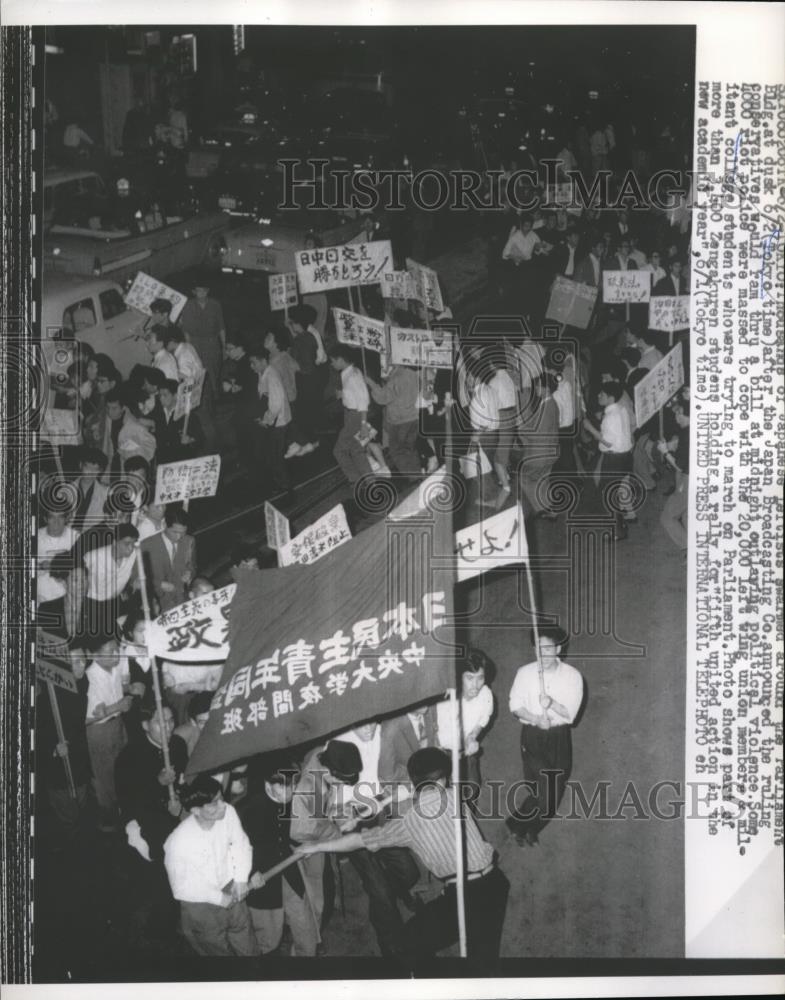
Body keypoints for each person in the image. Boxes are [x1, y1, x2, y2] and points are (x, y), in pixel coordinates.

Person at [298, 747, 509, 960]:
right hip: (495, 885)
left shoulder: (409, 824)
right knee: (482, 961)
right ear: (443, 779)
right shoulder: (456, 795)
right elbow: (423, 788)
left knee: (406, 946)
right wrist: (394, 796)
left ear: (413, 779)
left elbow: (356, 841)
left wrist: (316, 847)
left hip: (462, 897)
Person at [290, 739, 417, 958]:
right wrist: (339, 827)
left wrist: (344, 809)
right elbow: (300, 831)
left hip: (358, 814)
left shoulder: (326, 752)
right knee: (375, 893)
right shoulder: (307, 790)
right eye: (343, 781)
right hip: (331, 835)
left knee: (409, 872)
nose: (346, 785)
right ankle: (391, 949)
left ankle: (387, 891)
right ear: (329, 772)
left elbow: (336, 797)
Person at [506, 626, 584, 846]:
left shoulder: (573, 676)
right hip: (532, 735)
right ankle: (523, 825)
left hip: (559, 737)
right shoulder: (524, 672)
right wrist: (534, 717)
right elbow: (515, 705)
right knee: (543, 791)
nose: (544, 655)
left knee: (554, 788)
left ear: (558, 648)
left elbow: (571, 715)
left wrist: (552, 704)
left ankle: (524, 825)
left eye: (548, 649)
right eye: (539, 649)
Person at [163, 775, 256, 957]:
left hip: (231, 886)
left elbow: (240, 843)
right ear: (196, 810)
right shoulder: (178, 841)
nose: (223, 805)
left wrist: (241, 878)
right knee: (217, 955)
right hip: (201, 905)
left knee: (248, 944)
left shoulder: (228, 812)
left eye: (221, 798)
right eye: (214, 803)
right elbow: (181, 887)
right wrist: (218, 898)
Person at [238, 760, 321, 956]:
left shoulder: (291, 801)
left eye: (293, 785)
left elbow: (289, 833)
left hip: (287, 869)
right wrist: (248, 874)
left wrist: (306, 843)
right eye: (284, 786)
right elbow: (234, 850)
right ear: (268, 786)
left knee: (305, 930)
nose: (290, 791)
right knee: (267, 941)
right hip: (261, 881)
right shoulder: (247, 810)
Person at [85, 634, 133, 832]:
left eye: (117, 650)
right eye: (110, 651)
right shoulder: (90, 677)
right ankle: (109, 819)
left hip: (117, 723)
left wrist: (130, 689)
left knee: (123, 766)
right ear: (95, 655)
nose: (116, 655)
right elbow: (87, 719)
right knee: (104, 776)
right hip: (99, 731)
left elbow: (121, 690)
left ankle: (125, 810)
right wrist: (117, 707)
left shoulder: (113, 667)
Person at [436, 649, 495, 805]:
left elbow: (483, 719)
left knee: (472, 789)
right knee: (445, 798)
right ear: (459, 677)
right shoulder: (444, 700)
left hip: (467, 751)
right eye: (469, 678)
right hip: (443, 753)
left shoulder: (486, 695)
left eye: (480, 678)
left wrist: (472, 736)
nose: (476, 685)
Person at [582, 382, 635, 539]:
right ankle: (620, 523)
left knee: (608, 494)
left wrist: (590, 428)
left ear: (610, 398)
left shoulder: (610, 417)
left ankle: (617, 532)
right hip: (626, 456)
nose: (598, 396)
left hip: (614, 459)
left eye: (602, 394)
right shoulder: (621, 408)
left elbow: (607, 442)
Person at [178, 281, 225, 451]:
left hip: (212, 345)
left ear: (208, 290)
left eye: (204, 289)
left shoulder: (215, 305)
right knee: (198, 378)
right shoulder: (189, 306)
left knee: (212, 380)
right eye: (198, 289)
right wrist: (191, 348)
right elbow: (186, 331)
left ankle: (210, 408)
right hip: (196, 345)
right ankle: (201, 414)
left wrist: (223, 346)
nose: (201, 292)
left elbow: (221, 327)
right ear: (194, 291)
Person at [247, 342, 291, 495]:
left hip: (278, 422)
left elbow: (276, 403)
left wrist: (266, 420)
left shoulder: (271, 376)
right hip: (275, 420)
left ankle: (284, 488)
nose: (251, 366)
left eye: (254, 363)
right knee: (274, 454)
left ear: (263, 361)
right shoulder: (263, 373)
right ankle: (280, 483)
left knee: (276, 456)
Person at [364, 363, 421, 478]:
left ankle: (412, 478)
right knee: (409, 449)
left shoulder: (396, 378)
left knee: (397, 451)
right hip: (413, 417)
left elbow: (382, 398)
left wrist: (371, 383)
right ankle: (418, 473)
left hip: (399, 421)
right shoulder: (412, 373)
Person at [81, 523, 139, 637]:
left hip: (115, 603)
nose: (131, 548)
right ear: (114, 542)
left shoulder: (134, 554)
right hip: (91, 604)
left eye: (134, 543)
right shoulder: (93, 557)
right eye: (127, 543)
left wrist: (130, 586)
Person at [330, 345, 374, 490]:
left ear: (341, 359)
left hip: (355, 416)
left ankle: (355, 479)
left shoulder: (353, 376)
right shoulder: (348, 373)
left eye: (333, 361)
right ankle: (370, 482)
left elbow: (363, 400)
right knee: (356, 450)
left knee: (339, 450)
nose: (332, 363)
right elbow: (353, 395)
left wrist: (363, 424)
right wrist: (342, 395)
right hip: (350, 414)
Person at [139, 503, 196, 614]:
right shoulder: (146, 546)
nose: (179, 537)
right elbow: (136, 579)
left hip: (181, 600)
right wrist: (158, 584)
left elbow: (193, 565)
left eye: (183, 532)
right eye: (174, 532)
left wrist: (190, 573)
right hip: (158, 605)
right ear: (164, 524)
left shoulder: (189, 541)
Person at [378, 705, 439, 798]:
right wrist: (413, 789)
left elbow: (433, 741)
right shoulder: (391, 726)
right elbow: (386, 776)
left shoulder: (430, 708)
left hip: (436, 785)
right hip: (408, 792)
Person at [658, 399, 690, 551]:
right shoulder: (689, 430)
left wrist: (665, 452)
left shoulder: (687, 435)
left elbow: (680, 466)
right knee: (686, 515)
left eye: (679, 414)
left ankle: (688, 548)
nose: (676, 417)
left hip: (688, 480)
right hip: (693, 479)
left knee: (667, 517)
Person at [71, 446, 109, 532]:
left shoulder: (106, 494)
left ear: (101, 471)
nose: (90, 472)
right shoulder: (65, 490)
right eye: (87, 467)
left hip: (90, 539)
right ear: (80, 465)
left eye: (95, 469)